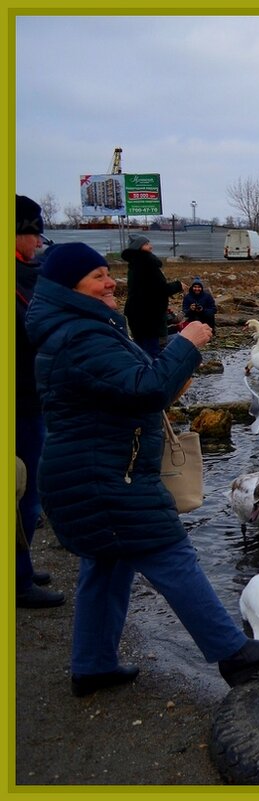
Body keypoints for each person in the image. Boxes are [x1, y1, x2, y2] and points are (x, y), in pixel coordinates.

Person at [24, 242, 259, 696]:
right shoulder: (81, 336)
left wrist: (173, 362)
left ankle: (93, 666)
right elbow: (146, 388)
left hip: (91, 471)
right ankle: (234, 654)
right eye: (96, 277)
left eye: (107, 272)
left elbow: (135, 386)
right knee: (171, 554)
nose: (110, 281)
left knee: (106, 566)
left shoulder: (77, 327)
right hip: (106, 477)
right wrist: (186, 344)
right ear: (69, 287)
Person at [14, 194, 63, 608]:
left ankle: (21, 564)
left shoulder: (24, 277)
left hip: (31, 398)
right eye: (33, 237)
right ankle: (17, 578)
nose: (37, 246)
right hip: (21, 403)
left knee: (30, 488)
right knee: (24, 491)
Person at [122, 233, 181, 357]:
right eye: (147, 244)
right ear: (139, 247)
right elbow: (161, 289)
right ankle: (152, 373)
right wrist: (178, 285)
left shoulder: (134, 264)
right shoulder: (148, 264)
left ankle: (141, 371)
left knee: (141, 349)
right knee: (152, 351)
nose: (151, 246)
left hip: (137, 316)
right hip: (149, 316)